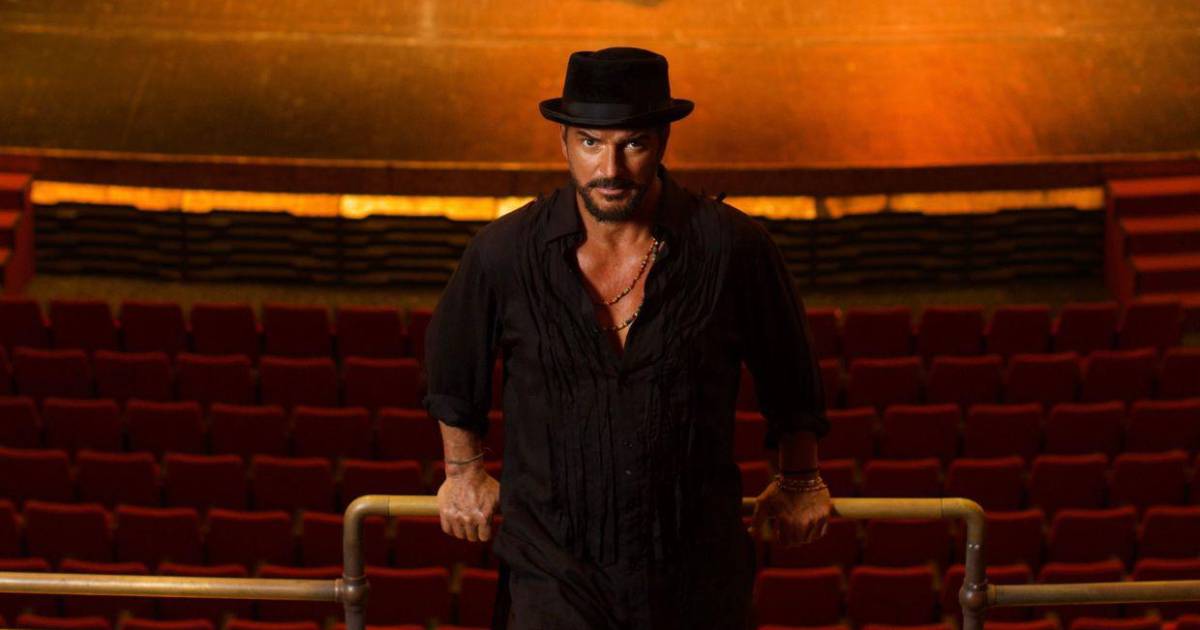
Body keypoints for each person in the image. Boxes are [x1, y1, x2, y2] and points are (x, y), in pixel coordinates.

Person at [422, 46, 831, 630]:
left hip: (696, 576)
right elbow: (452, 365)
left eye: (632, 143)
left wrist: (800, 478)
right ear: (564, 144)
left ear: (662, 142)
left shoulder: (733, 247)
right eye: (590, 142)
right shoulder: (504, 252)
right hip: (553, 575)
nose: (609, 168)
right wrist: (463, 470)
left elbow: (790, 371)